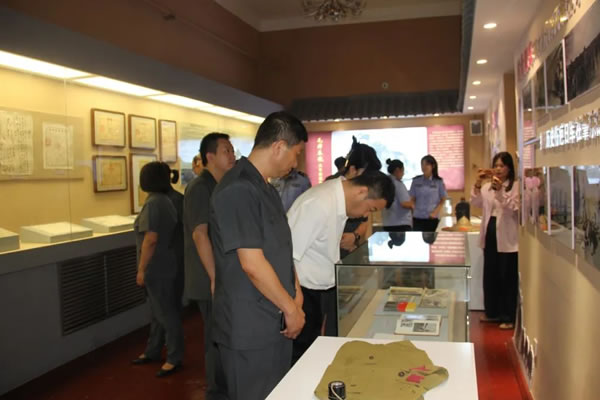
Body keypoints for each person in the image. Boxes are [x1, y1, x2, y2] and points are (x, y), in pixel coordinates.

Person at [209, 111, 307, 400]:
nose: (296, 163)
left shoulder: (266, 188)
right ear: (278, 146)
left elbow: (280, 249)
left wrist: (296, 294)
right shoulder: (238, 188)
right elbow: (251, 263)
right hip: (250, 326)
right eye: (296, 154)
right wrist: (291, 309)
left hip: (275, 316)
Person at [288, 171, 395, 362]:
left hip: (320, 291)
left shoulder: (338, 201)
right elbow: (287, 257)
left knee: (314, 354)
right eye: (370, 209)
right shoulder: (318, 203)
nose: (365, 215)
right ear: (362, 192)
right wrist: (294, 306)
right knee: (301, 358)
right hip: (302, 294)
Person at [183, 132, 235, 398]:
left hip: (220, 274)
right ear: (210, 157)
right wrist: (215, 277)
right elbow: (200, 234)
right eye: (226, 151)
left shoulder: (220, 185)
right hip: (209, 276)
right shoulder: (200, 187)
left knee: (223, 334)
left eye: (232, 150)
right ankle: (216, 393)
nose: (232, 155)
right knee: (214, 338)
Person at [132, 161, 184, 377]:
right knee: (158, 312)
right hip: (167, 263)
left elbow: (151, 239)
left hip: (157, 266)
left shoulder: (154, 203)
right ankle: (153, 350)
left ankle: (173, 357)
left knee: (166, 314)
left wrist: (141, 270)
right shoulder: (165, 200)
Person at [471, 152, 519, 330]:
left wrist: (500, 191)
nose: (498, 169)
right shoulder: (487, 187)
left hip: (507, 235)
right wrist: (478, 183)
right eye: (496, 165)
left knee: (507, 276)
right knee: (490, 274)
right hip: (490, 232)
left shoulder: (515, 186)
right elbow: (475, 202)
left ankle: (508, 316)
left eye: (502, 166)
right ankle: (492, 312)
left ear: (509, 168)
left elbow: (514, 208)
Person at [327, 137, 382, 258]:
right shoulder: (330, 188)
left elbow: (364, 221)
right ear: (353, 170)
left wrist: (354, 236)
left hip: (353, 250)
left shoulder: (364, 191)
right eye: (366, 174)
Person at [409, 155, 448, 232]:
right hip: (417, 218)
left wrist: (435, 212)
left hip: (431, 218)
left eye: (426, 164)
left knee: (432, 238)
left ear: (433, 166)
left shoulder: (438, 182)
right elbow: (412, 199)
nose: (424, 167)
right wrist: (412, 211)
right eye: (422, 164)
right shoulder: (416, 181)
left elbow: (443, 199)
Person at [382, 159, 413, 232]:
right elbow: (404, 203)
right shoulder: (398, 184)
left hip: (387, 223)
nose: (403, 174)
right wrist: (414, 205)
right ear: (398, 170)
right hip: (401, 223)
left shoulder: (385, 183)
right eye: (403, 171)